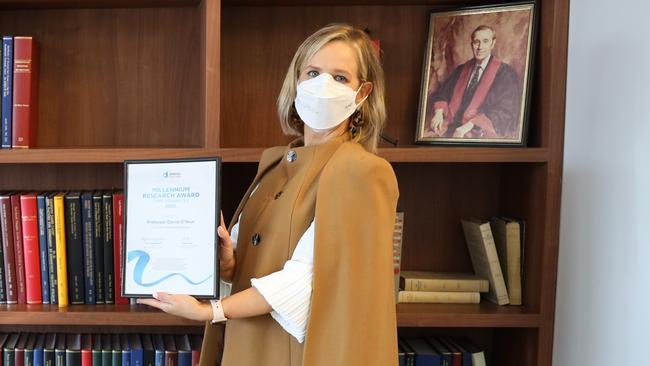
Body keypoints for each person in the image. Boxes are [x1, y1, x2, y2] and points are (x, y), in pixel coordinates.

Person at [137, 24, 399, 366]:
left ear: (362, 93)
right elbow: (256, 259)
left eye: (339, 78)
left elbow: (304, 282)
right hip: (244, 343)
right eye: (313, 72)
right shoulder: (276, 162)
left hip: (292, 353)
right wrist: (229, 263)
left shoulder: (362, 171)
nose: (323, 85)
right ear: (297, 81)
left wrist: (209, 310)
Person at [428, 25, 521, 139]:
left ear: (492, 43)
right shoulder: (461, 70)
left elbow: (505, 111)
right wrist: (438, 112)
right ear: (472, 44)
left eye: (485, 41)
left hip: (477, 132)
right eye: (476, 42)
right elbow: (442, 93)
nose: (480, 47)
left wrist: (471, 125)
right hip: (450, 127)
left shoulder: (505, 74)